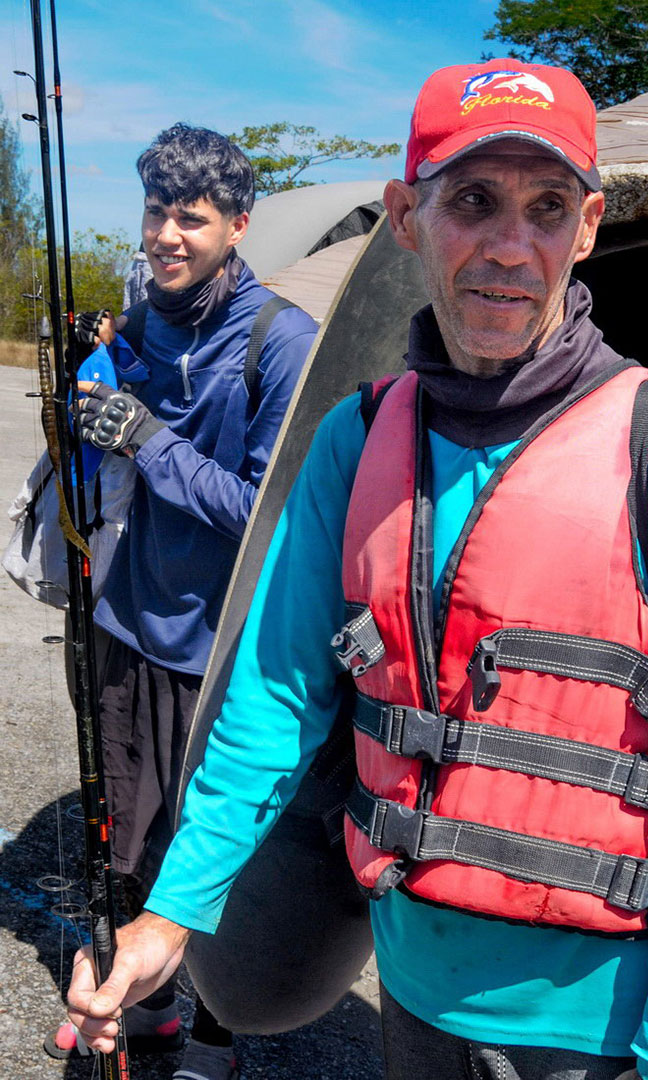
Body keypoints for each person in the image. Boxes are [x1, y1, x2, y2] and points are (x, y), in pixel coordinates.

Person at [66, 61, 648, 1080]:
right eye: (472, 202)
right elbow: (274, 696)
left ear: (587, 229)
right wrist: (172, 913)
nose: (510, 248)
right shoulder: (354, 440)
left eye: (547, 208)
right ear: (406, 216)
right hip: (412, 999)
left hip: (603, 1033)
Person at [48, 123, 317, 1080]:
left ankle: (217, 1027)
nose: (167, 234)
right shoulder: (143, 306)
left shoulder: (283, 343)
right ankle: (148, 1007)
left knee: (210, 851)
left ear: (238, 224)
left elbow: (266, 511)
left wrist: (148, 437)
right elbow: (112, 427)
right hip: (126, 616)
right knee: (125, 834)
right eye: (157, 211)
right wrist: (92, 368)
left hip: (222, 650)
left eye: (191, 219)